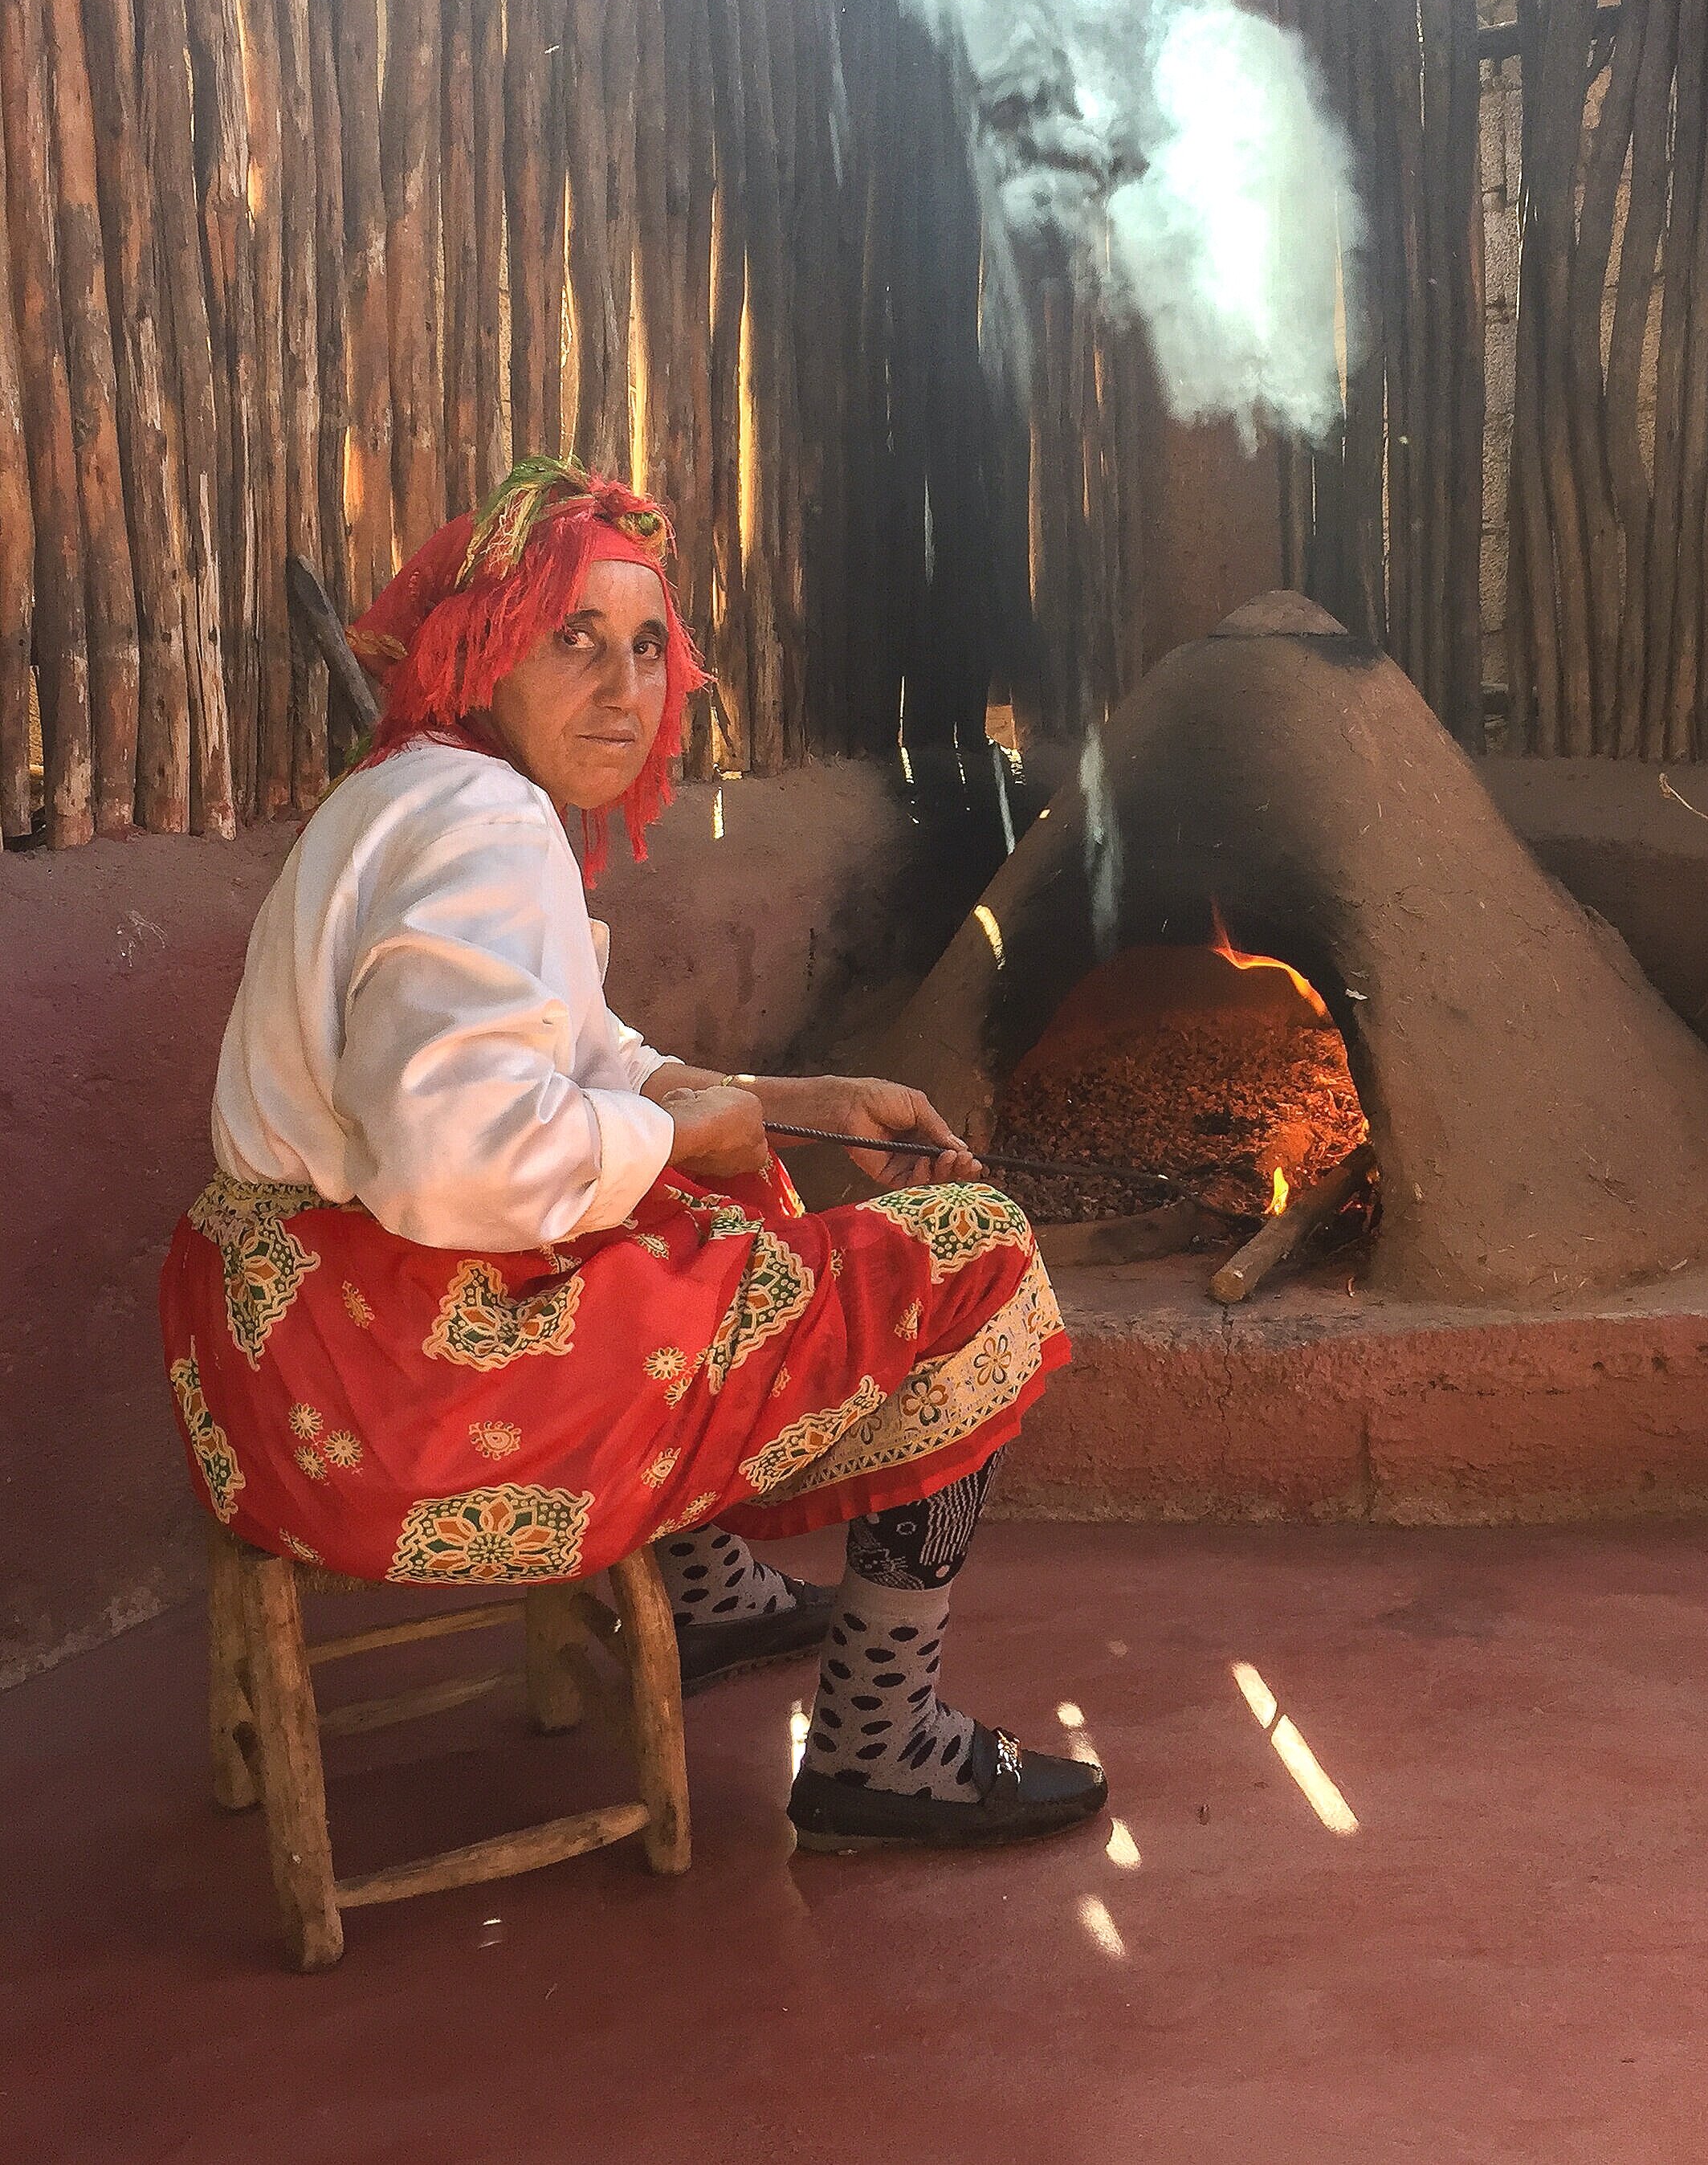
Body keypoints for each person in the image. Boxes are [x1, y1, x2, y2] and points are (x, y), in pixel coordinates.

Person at [160, 455, 1104, 1853]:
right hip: (387, 1409)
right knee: (972, 1259)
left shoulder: (418, 788)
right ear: (483, 649)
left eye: (649, 647)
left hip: (274, 1356)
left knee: (728, 1184)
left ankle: (712, 1595)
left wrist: (790, 1097)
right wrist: (681, 1128)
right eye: (575, 641)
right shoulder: (479, 828)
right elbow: (453, 1155)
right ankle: (878, 1743)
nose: (624, 688)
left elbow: (576, 1052)